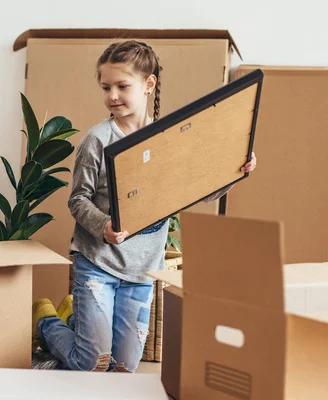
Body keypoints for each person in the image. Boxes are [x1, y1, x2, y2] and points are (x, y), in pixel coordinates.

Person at [32, 40, 257, 372]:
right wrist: (104, 226)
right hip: (98, 263)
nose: (113, 95)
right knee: (91, 363)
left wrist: (235, 172)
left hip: (141, 272)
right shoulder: (97, 140)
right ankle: (49, 321)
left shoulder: (168, 141)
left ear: (148, 84)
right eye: (106, 87)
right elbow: (77, 199)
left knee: (122, 370)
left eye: (123, 86)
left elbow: (198, 193)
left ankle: (75, 321)